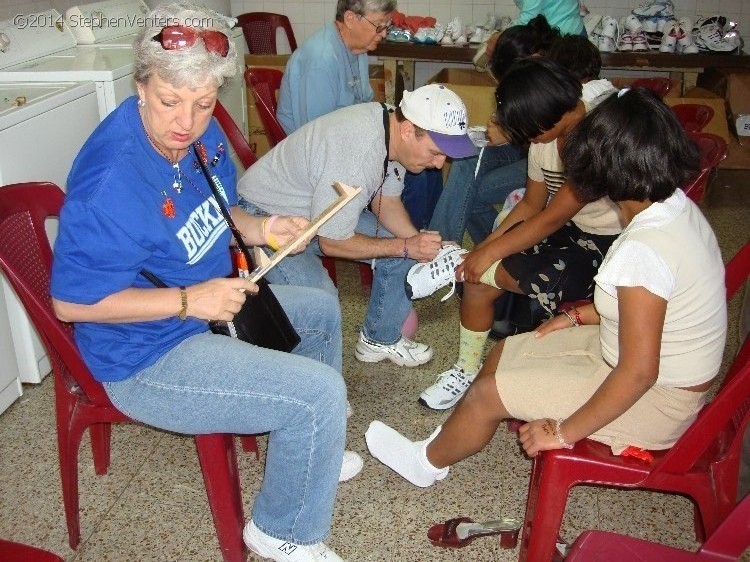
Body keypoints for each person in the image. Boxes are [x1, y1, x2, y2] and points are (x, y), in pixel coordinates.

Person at [49, 5, 356, 561]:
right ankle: (280, 530)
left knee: (324, 309)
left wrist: (264, 226)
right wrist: (193, 300)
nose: (186, 123)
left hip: (208, 305)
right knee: (318, 395)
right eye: (170, 101)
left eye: (203, 102)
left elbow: (219, 211)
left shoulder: (200, 133)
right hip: (146, 355)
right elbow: (71, 303)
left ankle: (313, 455)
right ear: (140, 86)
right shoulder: (110, 183)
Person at [366, 87, 727, 492]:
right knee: (506, 350)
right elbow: (653, 310)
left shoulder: (644, 249)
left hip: (657, 400)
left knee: (486, 393)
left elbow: (639, 373)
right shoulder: (672, 207)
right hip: (632, 354)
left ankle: (425, 464)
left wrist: (564, 432)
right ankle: (453, 436)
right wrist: (577, 316)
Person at [419, 58, 621, 410]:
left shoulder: (594, 138)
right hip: (568, 229)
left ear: (548, 117)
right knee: (478, 278)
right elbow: (530, 205)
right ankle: (466, 370)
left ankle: (527, 361)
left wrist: (485, 254)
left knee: (486, 267)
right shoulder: (546, 138)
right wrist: (480, 251)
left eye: (529, 131)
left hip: (607, 248)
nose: (527, 140)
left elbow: (549, 220)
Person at [237, 84, 477, 367]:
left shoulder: (390, 131)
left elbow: (385, 203)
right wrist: (404, 246)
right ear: (409, 130)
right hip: (264, 217)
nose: (439, 164)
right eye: (436, 152)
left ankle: (379, 340)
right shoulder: (359, 152)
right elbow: (332, 241)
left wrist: (421, 245)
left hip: (314, 213)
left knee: (406, 248)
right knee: (320, 303)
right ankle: (319, 391)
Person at [430, 15, 561, 246]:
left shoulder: (552, 82)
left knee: (471, 193)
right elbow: (483, 60)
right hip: (524, 149)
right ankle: (441, 246)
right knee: (466, 158)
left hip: (548, 159)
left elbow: (549, 135)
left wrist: (511, 131)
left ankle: (485, 250)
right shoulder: (525, 58)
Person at [277, 0, 396, 135]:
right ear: (350, 19)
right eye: (379, 25)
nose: (384, 34)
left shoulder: (358, 48)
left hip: (343, 131)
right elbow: (316, 135)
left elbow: (364, 102)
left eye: (388, 25)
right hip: (311, 145)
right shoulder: (321, 60)